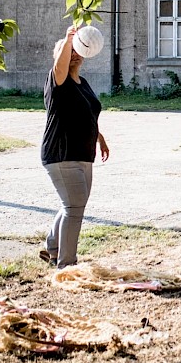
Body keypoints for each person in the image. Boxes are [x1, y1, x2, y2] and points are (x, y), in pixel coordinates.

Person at [39, 25, 110, 268]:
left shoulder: (83, 83)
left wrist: (99, 137)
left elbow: (87, 113)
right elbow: (60, 65)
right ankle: (66, 264)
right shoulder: (57, 80)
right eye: (68, 50)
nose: (74, 53)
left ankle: (52, 247)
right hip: (61, 153)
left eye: (77, 49)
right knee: (74, 206)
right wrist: (68, 38)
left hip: (83, 153)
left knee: (73, 204)